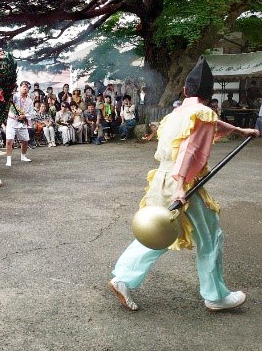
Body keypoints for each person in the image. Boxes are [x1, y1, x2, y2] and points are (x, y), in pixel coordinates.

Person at [108, 57, 260, 312]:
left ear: (186, 91)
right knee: (210, 236)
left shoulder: (176, 114)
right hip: (183, 184)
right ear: (208, 94)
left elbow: (209, 126)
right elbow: (189, 151)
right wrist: (180, 186)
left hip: (162, 178)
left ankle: (122, 278)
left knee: (158, 232)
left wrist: (239, 130)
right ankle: (215, 296)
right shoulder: (202, 112)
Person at [5, 81, 34, 166]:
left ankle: (23, 156)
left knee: (25, 141)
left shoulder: (29, 100)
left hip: (22, 122)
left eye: (27, 87)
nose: (25, 88)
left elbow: (32, 113)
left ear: (28, 89)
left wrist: (24, 115)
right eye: (23, 86)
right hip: (12, 121)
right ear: (20, 87)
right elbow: (9, 101)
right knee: (9, 140)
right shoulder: (14, 96)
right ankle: (8, 159)